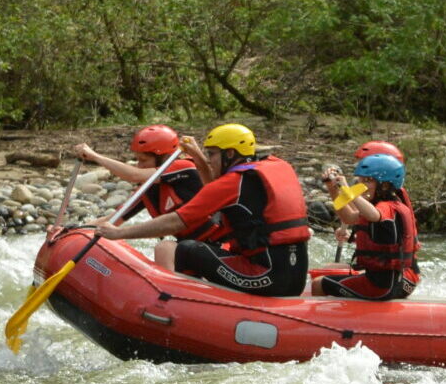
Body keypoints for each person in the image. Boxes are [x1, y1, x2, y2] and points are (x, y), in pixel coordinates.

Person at [97, 123, 312, 296]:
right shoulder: (274, 166)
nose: (210, 161)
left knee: (185, 250)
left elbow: (176, 221)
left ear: (229, 154)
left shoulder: (232, 183)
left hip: (265, 276)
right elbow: (215, 191)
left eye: (212, 155)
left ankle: (174, 306)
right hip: (295, 274)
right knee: (190, 249)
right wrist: (200, 159)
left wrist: (119, 234)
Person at [74, 125, 203, 269]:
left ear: (165, 158)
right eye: (137, 160)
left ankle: (168, 289)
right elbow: (112, 220)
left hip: (216, 245)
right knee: (165, 248)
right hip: (188, 247)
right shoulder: (148, 188)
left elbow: (133, 175)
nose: (139, 165)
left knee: (164, 248)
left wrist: (94, 156)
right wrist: (72, 231)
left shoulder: (184, 167)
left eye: (143, 160)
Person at [315, 154, 420, 301]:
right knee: (331, 271)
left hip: (380, 286)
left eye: (368, 181)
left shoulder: (387, 206)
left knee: (318, 283)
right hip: (392, 281)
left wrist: (348, 190)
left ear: (384, 185)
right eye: (361, 180)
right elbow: (348, 217)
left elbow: (373, 215)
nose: (361, 185)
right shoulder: (383, 204)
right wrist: (333, 188)